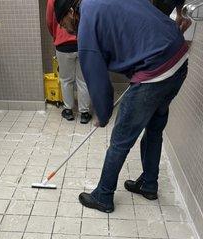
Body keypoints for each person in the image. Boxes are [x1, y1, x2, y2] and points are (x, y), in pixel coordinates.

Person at [54, 0, 190, 213]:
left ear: (71, 12)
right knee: (154, 129)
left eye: (62, 23)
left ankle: (103, 195)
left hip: (155, 70)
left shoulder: (87, 19)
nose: (63, 29)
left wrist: (104, 113)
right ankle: (149, 184)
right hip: (178, 57)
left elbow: (96, 76)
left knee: (120, 140)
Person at [46, 0, 92, 124]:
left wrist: (56, 36)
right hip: (83, 42)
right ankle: (84, 113)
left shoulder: (52, 1)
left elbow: (50, 21)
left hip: (63, 44)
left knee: (66, 79)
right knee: (83, 80)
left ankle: (68, 110)